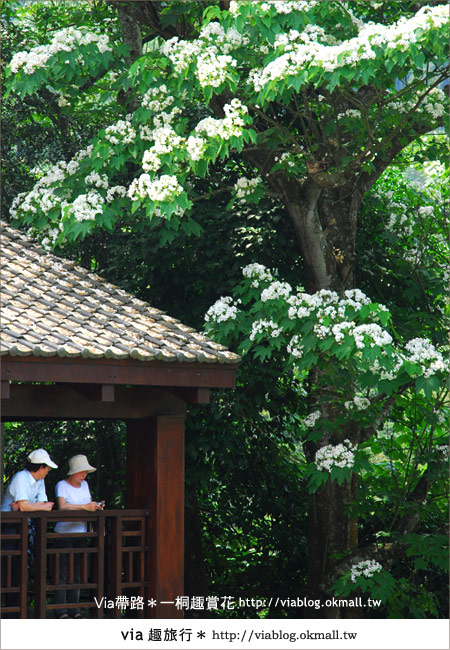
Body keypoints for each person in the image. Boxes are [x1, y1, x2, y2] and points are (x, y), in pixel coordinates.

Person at [1, 448, 57, 616]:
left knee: (26, 565)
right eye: (47, 468)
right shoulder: (21, 478)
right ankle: (10, 608)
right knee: (10, 565)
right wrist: (26, 507)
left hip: (27, 524)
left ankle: (20, 607)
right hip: (10, 526)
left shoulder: (39, 481)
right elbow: (35, 506)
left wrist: (24, 507)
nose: (48, 471)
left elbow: (45, 505)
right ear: (40, 468)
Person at [54, 454, 103, 619]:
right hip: (64, 533)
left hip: (81, 531)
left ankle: (75, 609)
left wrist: (94, 507)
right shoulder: (61, 485)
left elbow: (87, 504)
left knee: (77, 572)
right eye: (81, 471)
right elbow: (62, 506)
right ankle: (61, 610)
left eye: (85, 472)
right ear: (73, 472)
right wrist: (85, 507)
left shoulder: (85, 485)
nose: (84, 475)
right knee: (62, 572)